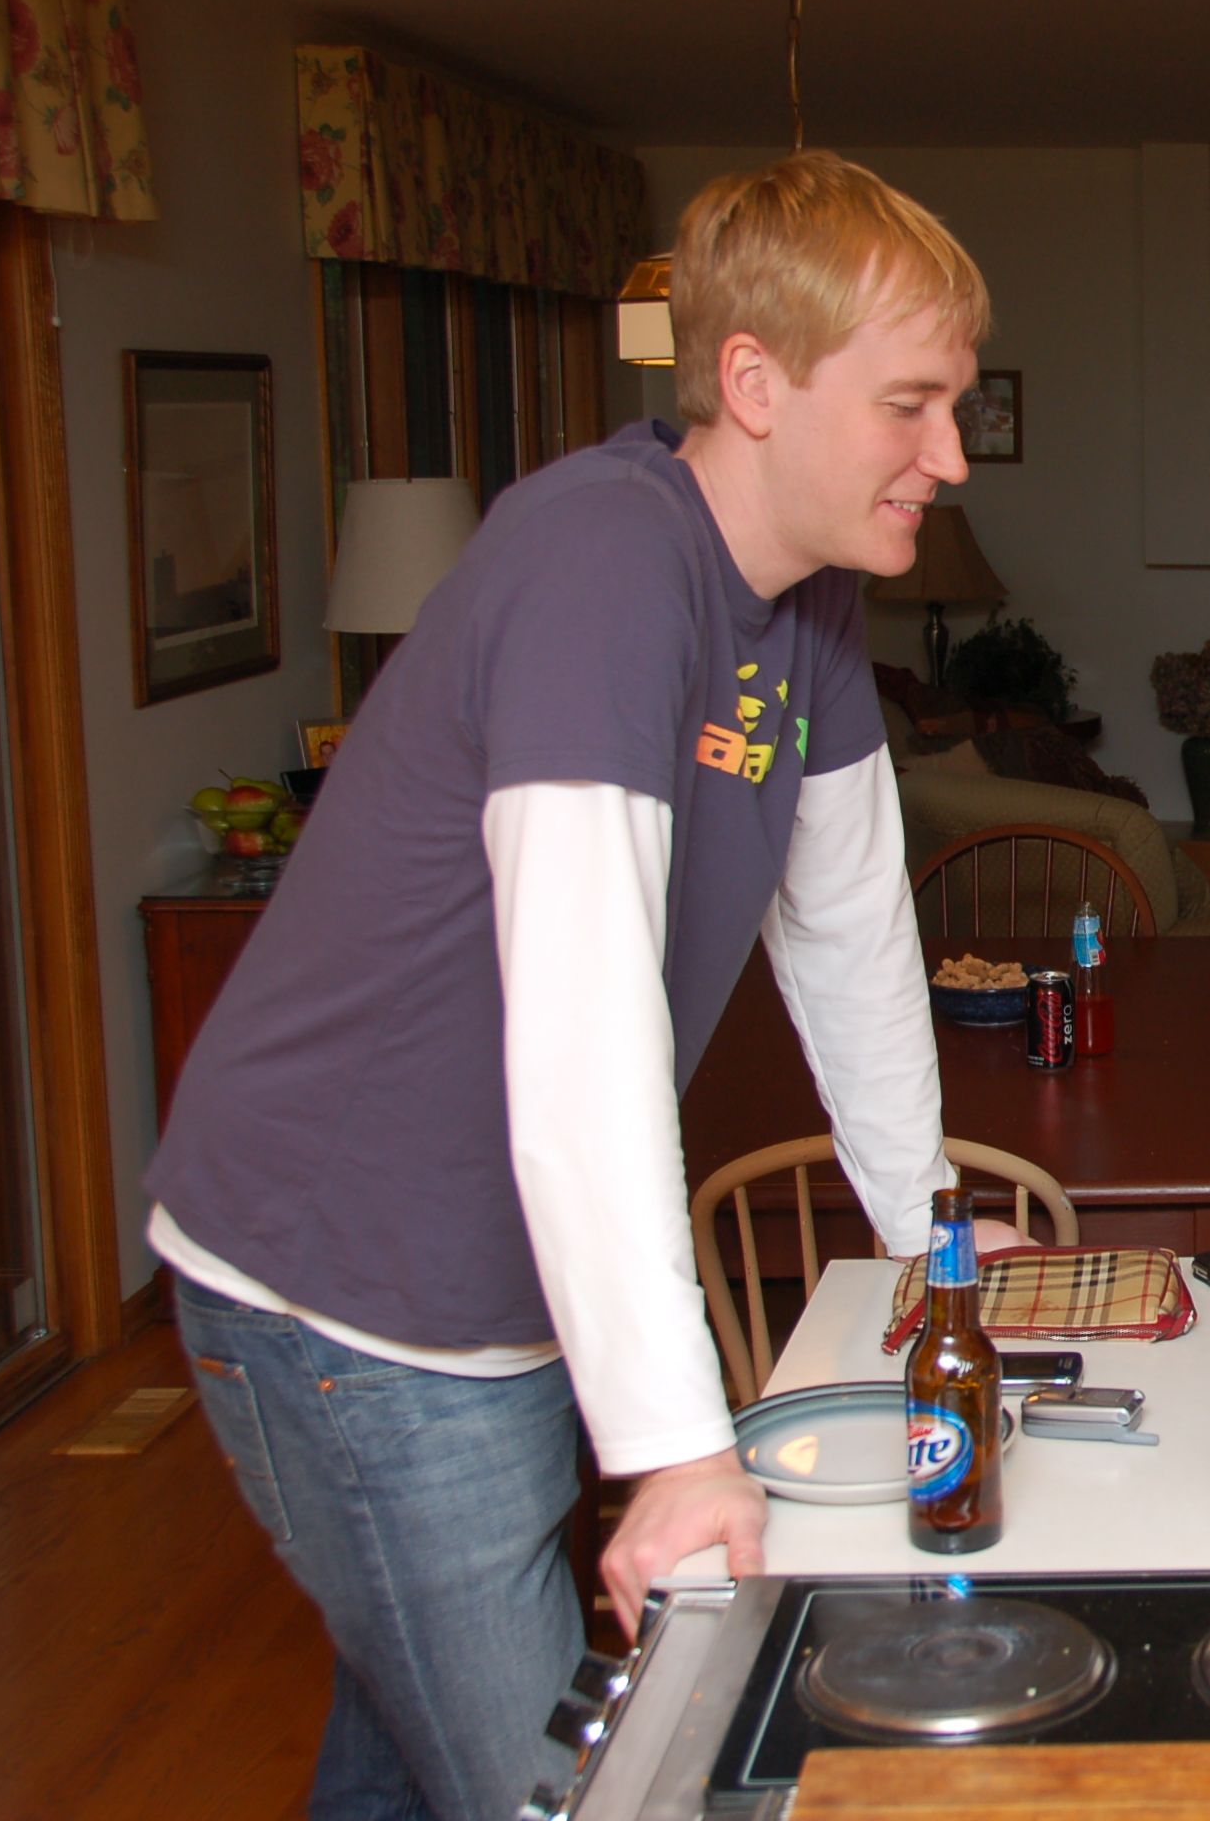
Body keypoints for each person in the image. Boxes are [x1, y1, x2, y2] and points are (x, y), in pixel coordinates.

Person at [146, 151, 1015, 1821]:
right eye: (909, 406)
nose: (950, 456)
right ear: (752, 383)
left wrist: (929, 1247)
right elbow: (583, 1033)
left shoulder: (814, 603)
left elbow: (849, 938)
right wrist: (681, 1453)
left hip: (499, 1280)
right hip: (350, 1293)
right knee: (590, 1789)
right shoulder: (602, 564)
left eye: (955, 406)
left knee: (408, 1756)